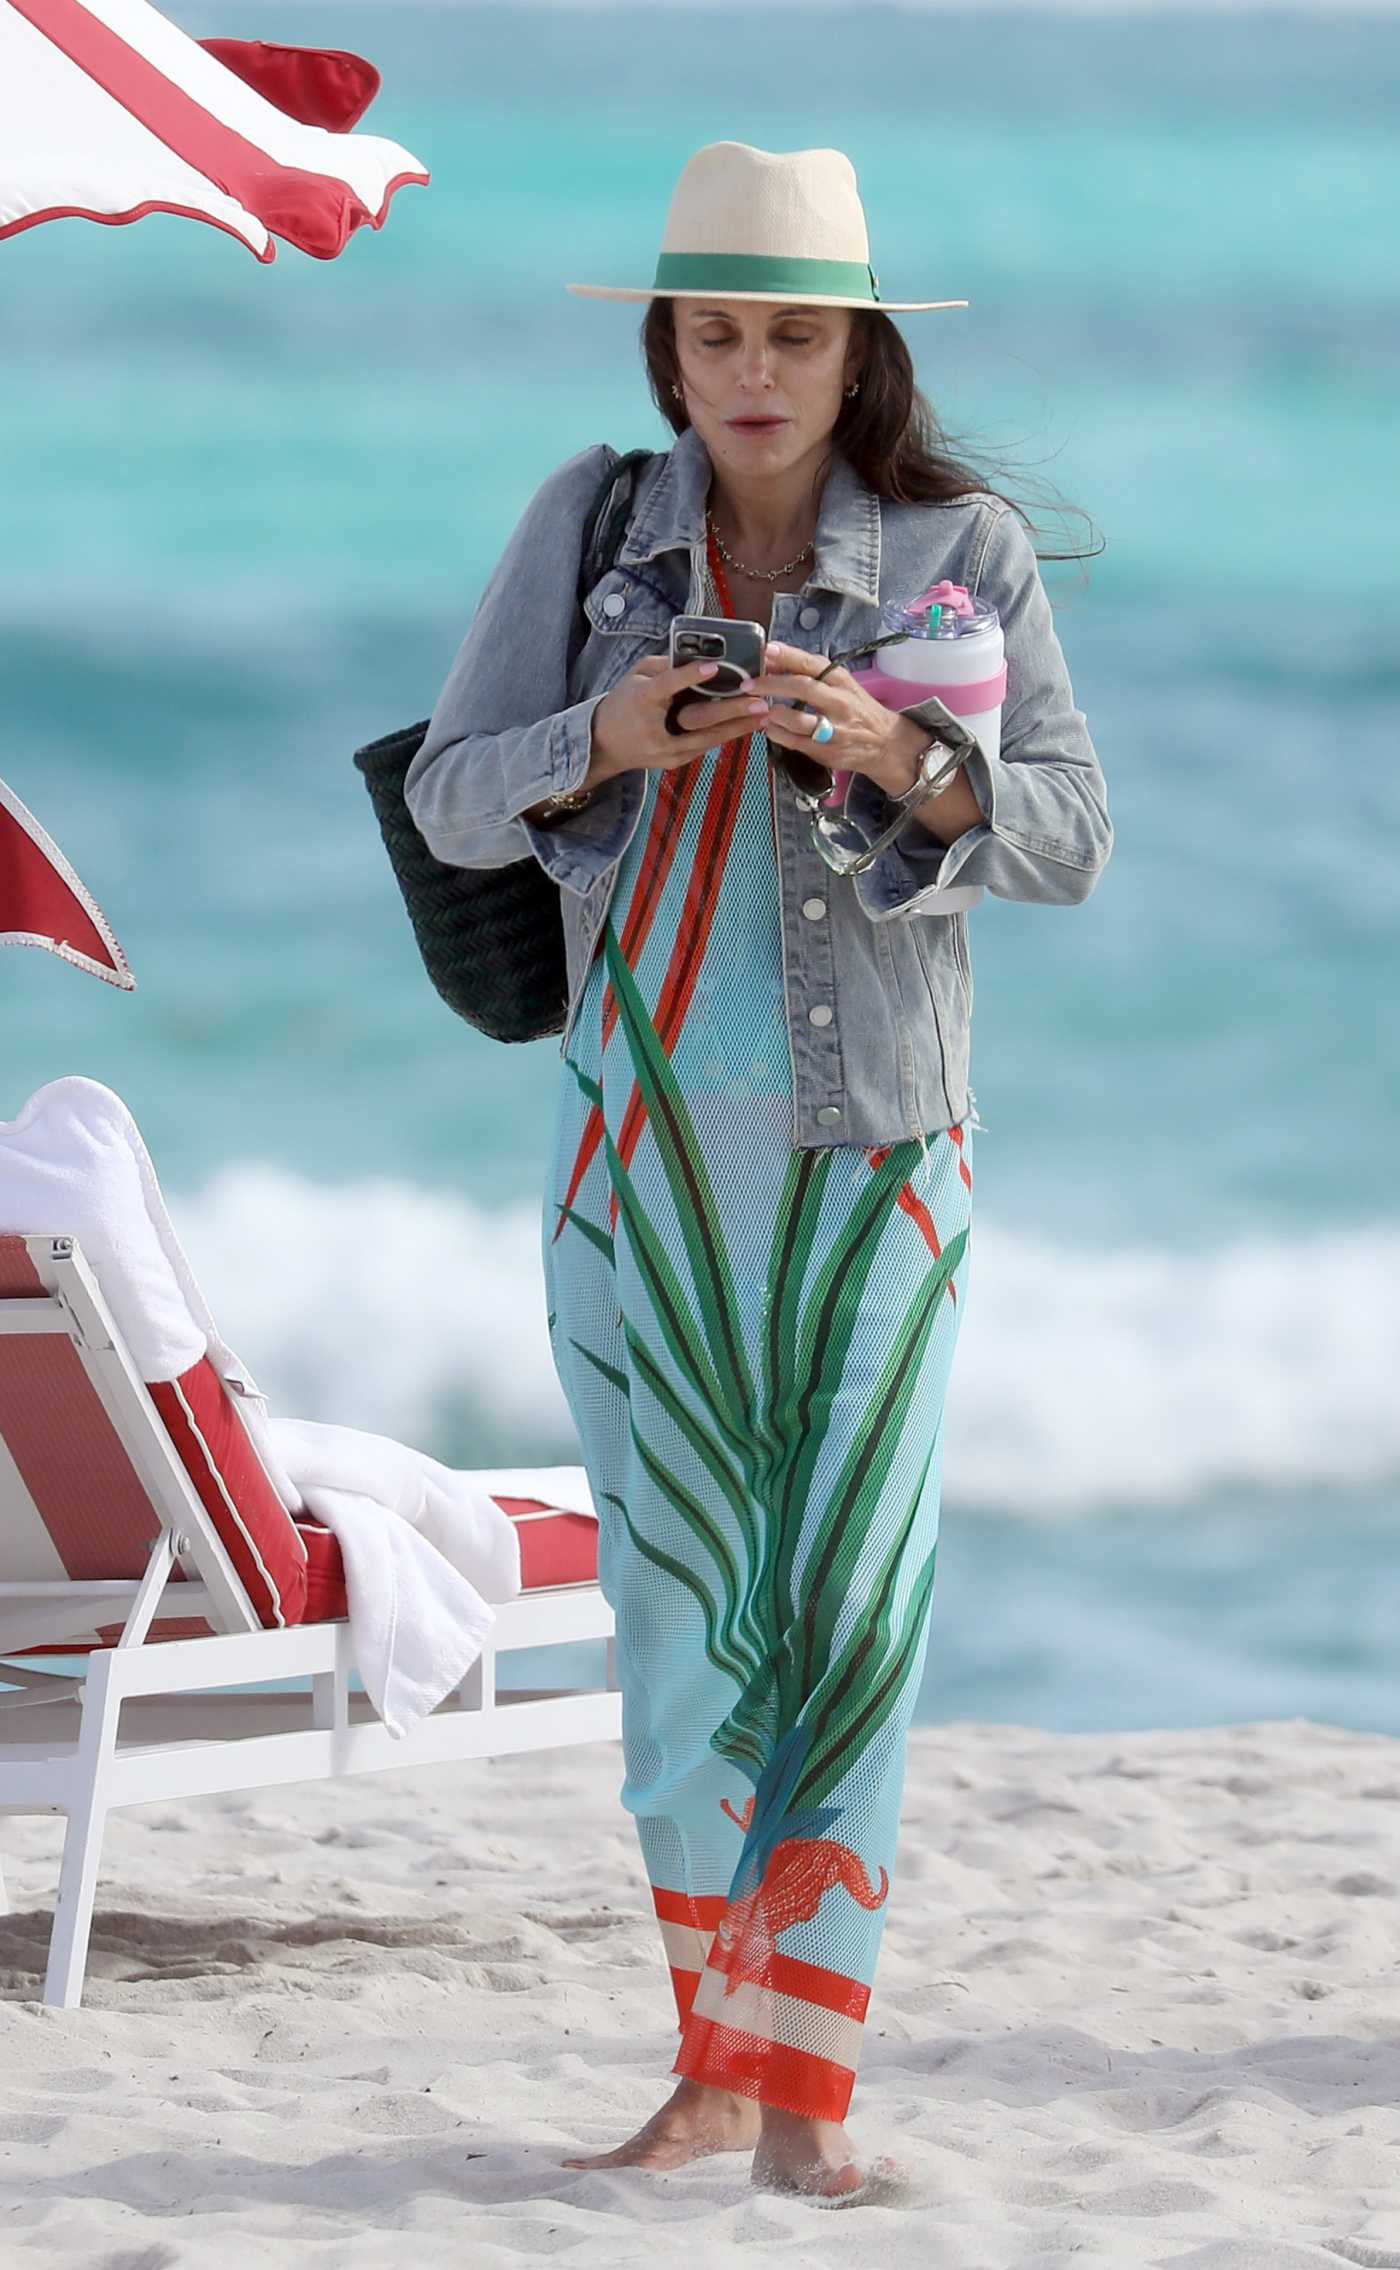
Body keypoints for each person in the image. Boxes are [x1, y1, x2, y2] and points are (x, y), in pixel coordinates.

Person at [405, 140, 1113, 2206]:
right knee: (682, 1606)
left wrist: (895, 753)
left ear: (853, 348)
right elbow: (452, 797)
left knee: (852, 1603)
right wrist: (608, 733)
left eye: (791, 332)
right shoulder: (592, 524)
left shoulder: (958, 550)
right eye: (716, 330)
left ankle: (807, 2102)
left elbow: (1069, 834)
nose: (751, 367)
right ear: (671, 342)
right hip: (631, 1159)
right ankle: (711, 2068)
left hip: (878, 1160)